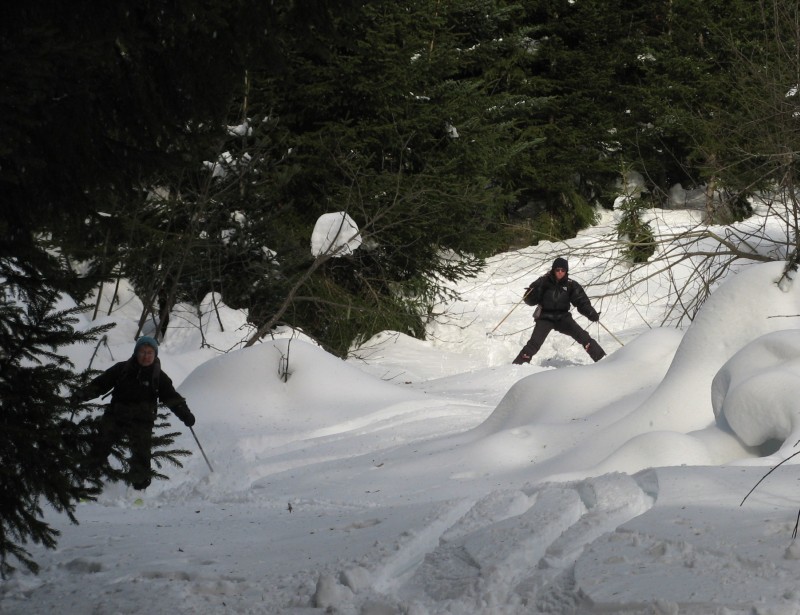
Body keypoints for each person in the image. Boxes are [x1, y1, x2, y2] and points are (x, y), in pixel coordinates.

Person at [74, 336, 196, 490]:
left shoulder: (158, 376)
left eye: (150, 352)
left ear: (155, 354)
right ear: (136, 353)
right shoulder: (122, 369)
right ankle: (87, 480)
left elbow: (171, 397)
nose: (146, 356)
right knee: (100, 444)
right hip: (116, 415)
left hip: (142, 419)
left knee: (141, 453)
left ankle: (139, 488)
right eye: (142, 352)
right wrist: (81, 395)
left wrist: (185, 414)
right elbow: (100, 384)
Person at [512, 257, 606, 364]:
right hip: (545, 318)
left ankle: (602, 360)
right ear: (553, 270)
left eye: (563, 270)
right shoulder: (543, 282)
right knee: (534, 343)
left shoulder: (571, 284)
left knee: (583, 336)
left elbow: (581, 302)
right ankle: (517, 366)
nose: (560, 272)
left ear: (566, 271)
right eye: (557, 270)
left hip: (563, 318)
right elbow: (529, 301)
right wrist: (534, 290)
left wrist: (591, 313)